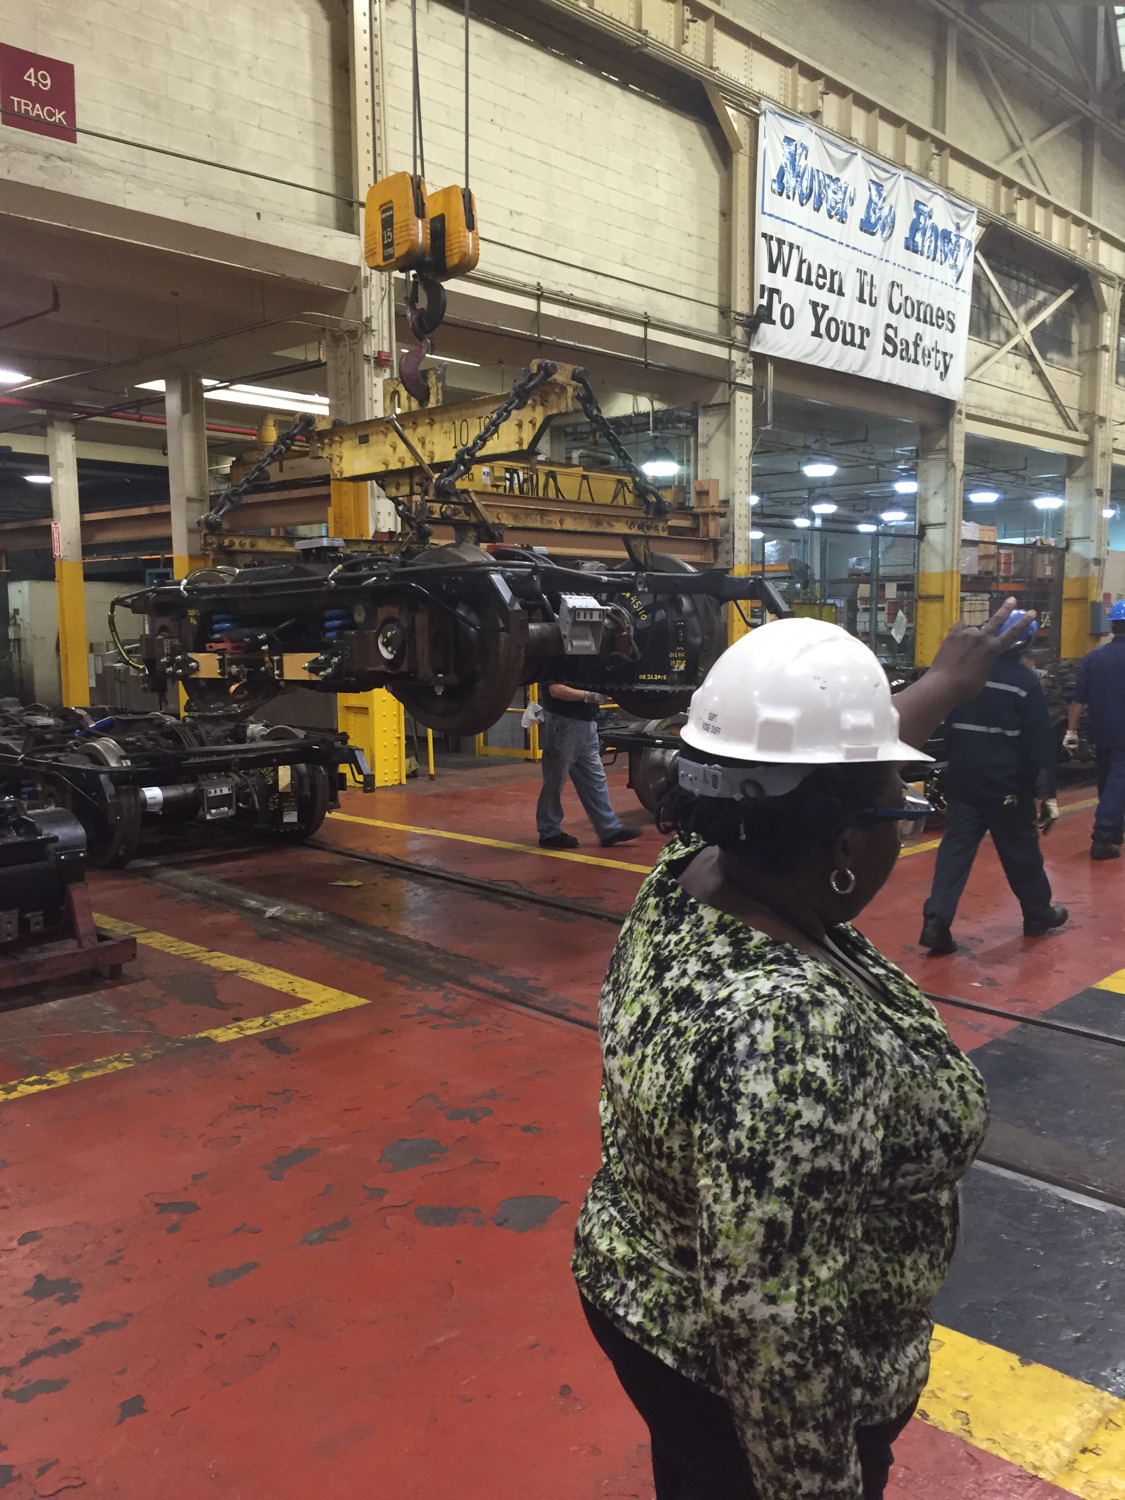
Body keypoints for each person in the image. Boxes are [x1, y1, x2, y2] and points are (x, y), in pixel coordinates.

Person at [572, 605, 1027, 1500]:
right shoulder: (788, 1037)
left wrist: (936, 688)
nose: (904, 824)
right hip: (727, 1378)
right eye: (898, 810)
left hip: (638, 1284)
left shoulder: (696, 870)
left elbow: (791, 774)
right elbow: (772, 1328)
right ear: (844, 846)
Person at [918, 611, 1065, 955]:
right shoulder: (1024, 683)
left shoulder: (967, 676)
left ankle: (936, 921)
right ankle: (1038, 914)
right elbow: (1039, 745)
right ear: (1027, 642)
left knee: (955, 850)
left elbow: (950, 729)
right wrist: (1046, 793)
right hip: (1006, 786)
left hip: (964, 782)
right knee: (1020, 851)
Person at [535, 683, 641, 849]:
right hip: (563, 724)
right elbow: (555, 690)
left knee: (595, 779)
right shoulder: (557, 658)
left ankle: (609, 830)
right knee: (555, 780)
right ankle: (549, 832)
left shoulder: (584, 660)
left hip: (587, 725)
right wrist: (588, 696)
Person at [1065, 600, 1125, 860]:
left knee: (1107, 780)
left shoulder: (1094, 657)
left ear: (1112, 626)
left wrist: (1071, 731)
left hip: (1101, 731)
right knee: (1118, 782)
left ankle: (1114, 830)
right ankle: (1103, 836)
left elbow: (1078, 699)